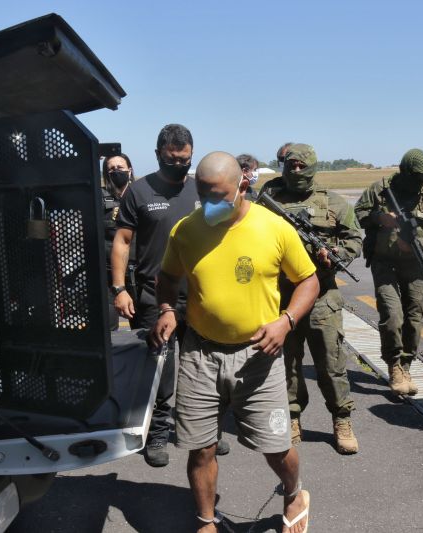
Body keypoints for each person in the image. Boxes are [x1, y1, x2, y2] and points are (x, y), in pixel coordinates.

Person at [151, 151, 318, 533]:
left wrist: (286, 321)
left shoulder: (273, 228)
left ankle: (294, 492)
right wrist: (166, 308)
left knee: (276, 446)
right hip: (201, 354)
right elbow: (167, 277)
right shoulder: (187, 230)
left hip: (259, 355)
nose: (211, 205)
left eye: (220, 197)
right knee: (201, 447)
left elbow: (308, 280)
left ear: (243, 185)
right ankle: (206, 520)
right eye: (204, 195)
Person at [111, 124, 229, 467]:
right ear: (159, 154)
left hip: (201, 297)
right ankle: (157, 432)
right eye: (172, 158)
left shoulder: (200, 189)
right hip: (155, 295)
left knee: (204, 369)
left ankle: (205, 432)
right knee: (160, 367)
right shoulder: (140, 191)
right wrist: (119, 289)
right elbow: (122, 242)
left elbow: (226, 232)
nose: (179, 164)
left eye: (186, 159)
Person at [261, 143, 362, 454]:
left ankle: (341, 419)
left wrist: (336, 255)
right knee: (287, 364)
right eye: (290, 166)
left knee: (331, 364)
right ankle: (292, 417)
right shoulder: (268, 200)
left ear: (313, 167)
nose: (295, 172)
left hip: (321, 296)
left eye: (301, 167)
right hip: (282, 296)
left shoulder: (332, 202)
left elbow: (354, 237)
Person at [354, 148, 423, 395]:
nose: (420, 183)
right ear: (404, 171)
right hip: (383, 262)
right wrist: (380, 218)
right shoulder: (380, 190)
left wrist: (421, 244)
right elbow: (358, 214)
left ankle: (407, 364)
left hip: (414, 264)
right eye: (416, 177)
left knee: (415, 316)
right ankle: (394, 365)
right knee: (392, 315)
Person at [101, 153, 135, 331]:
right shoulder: (100, 198)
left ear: (129, 170)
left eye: (120, 168)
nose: (116, 171)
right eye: (111, 169)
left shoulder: (140, 196)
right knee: (108, 327)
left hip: (136, 272)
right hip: (108, 273)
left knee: (142, 329)